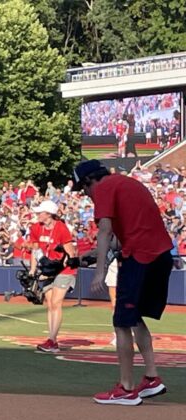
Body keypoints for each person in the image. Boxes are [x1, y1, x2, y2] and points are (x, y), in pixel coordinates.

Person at [74, 159, 173, 406]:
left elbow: (106, 231)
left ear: (90, 181)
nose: (86, 195)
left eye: (84, 189)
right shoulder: (127, 183)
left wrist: (99, 272)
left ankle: (127, 388)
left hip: (141, 257)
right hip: (159, 256)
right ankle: (151, 377)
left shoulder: (104, 188)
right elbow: (121, 238)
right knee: (135, 316)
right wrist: (91, 256)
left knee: (121, 321)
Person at [29, 200, 77, 354]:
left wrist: (60, 266)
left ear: (48, 214)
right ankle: (52, 339)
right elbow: (35, 250)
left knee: (56, 302)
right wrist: (33, 270)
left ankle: (52, 340)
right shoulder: (36, 228)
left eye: (40, 212)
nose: (37, 214)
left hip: (64, 270)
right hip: (48, 269)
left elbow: (71, 254)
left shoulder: (62, 229)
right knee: (50, 303)